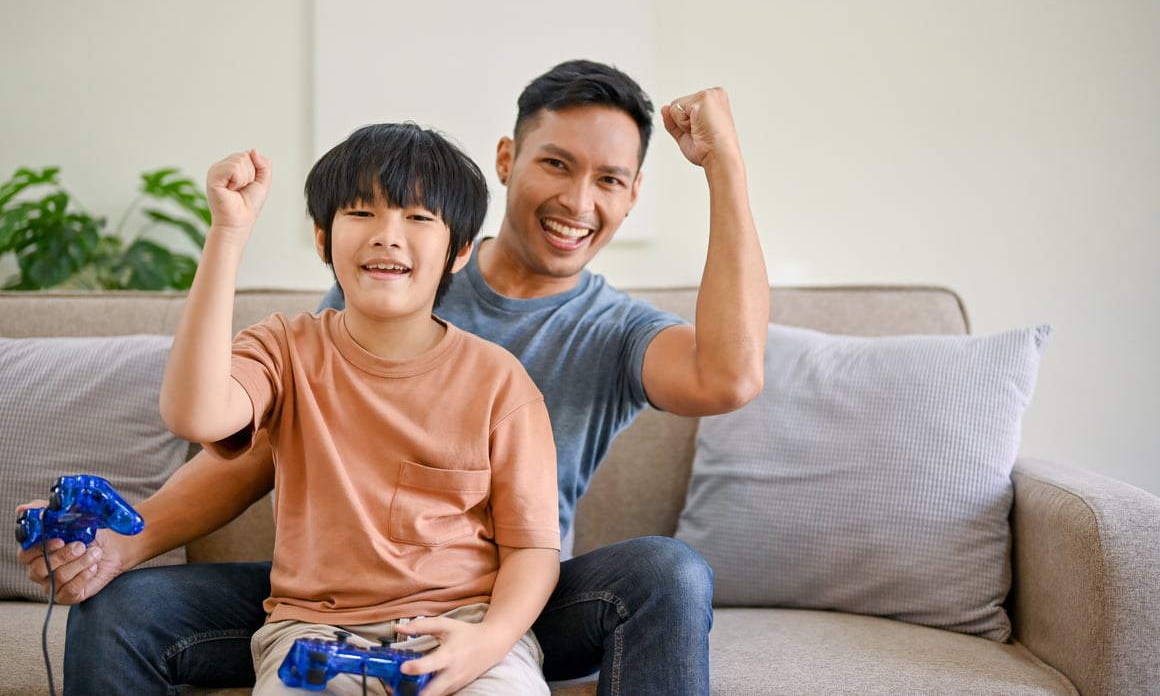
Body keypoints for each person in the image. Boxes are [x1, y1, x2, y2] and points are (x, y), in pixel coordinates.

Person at [22, 60, 769, 695]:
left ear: (632, 197)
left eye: (609, 179)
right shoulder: (370, 286)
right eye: (555, 163)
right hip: (321, 592)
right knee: (117, 608)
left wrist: (726, 166)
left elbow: (730, 378)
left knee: (670, 571)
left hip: (500, 595)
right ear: (507, 159)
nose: (578, 200)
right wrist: (130, 539)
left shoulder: (611, 331)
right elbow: (258, 442)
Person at [160, 124, 561, 695]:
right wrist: (228, 232)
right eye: (361, 213)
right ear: (323, 240)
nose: (387, 236)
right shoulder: (283, 348)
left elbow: (533, 550)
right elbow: (195, 416)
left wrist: (490, 641)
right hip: (314, 634)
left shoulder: (499, 381)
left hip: (463, 628)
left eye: (419, 218)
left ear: (460, 250)